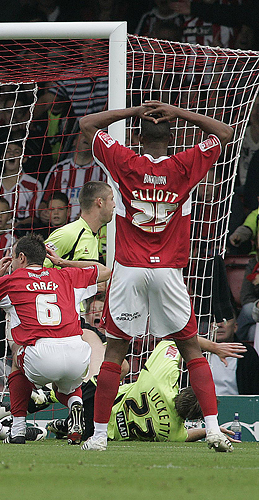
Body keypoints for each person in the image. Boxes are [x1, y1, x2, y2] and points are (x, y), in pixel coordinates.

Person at [78, 99, 235, 452]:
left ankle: (100, 437)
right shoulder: (185, 163)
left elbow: (87, 123)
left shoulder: (123, 161)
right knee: (191, 350)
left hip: (130, 269)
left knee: (115, 352)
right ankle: (212, 430)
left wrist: (133, 111)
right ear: (173, 136)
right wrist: (180, 112)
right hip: (168, 270)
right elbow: (224, 133)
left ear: (137, 135)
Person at [0, 234, 111, 444]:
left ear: (21, 257)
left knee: (16, 358)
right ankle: (75, 404)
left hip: (41, 354)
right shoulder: (66, 275)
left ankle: (18, 429)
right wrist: (62, 262)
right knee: (65, 386)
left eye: (12, 257)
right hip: (78, 352)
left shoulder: (9, 282)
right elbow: (105, 270)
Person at [48, 339, 245, 443]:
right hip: (95, 431)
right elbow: (187, 435)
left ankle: (48, 396)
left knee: (118, 363)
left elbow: (177, 340)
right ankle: (68, 422)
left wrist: (213, 347)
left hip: (96, 401)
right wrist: (212, 429)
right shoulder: (173, 433)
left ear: (186, 389)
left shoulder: (161, 380)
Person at [0, 142, 43, 231]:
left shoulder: (33, 185)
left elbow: (34, 218)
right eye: (8, 151)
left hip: (20, 234)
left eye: (16, 151)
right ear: (2, 157)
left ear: (24, 159)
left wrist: (16, 225)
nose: (11, 154)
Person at [44, 181, 114, 265]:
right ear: (100, 202)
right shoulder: (67, 234)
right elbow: (35, 267)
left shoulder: (93, 236)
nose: (114, 204)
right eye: (111, 199)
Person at [43, 134, 107, 223]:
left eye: (89, 135)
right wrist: (43, 213)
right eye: (83, 135)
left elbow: (106, 203)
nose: (86, 137)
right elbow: (44, 202)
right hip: (61, 227)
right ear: (74, 141)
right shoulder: (58, 169)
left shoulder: (102, 171)